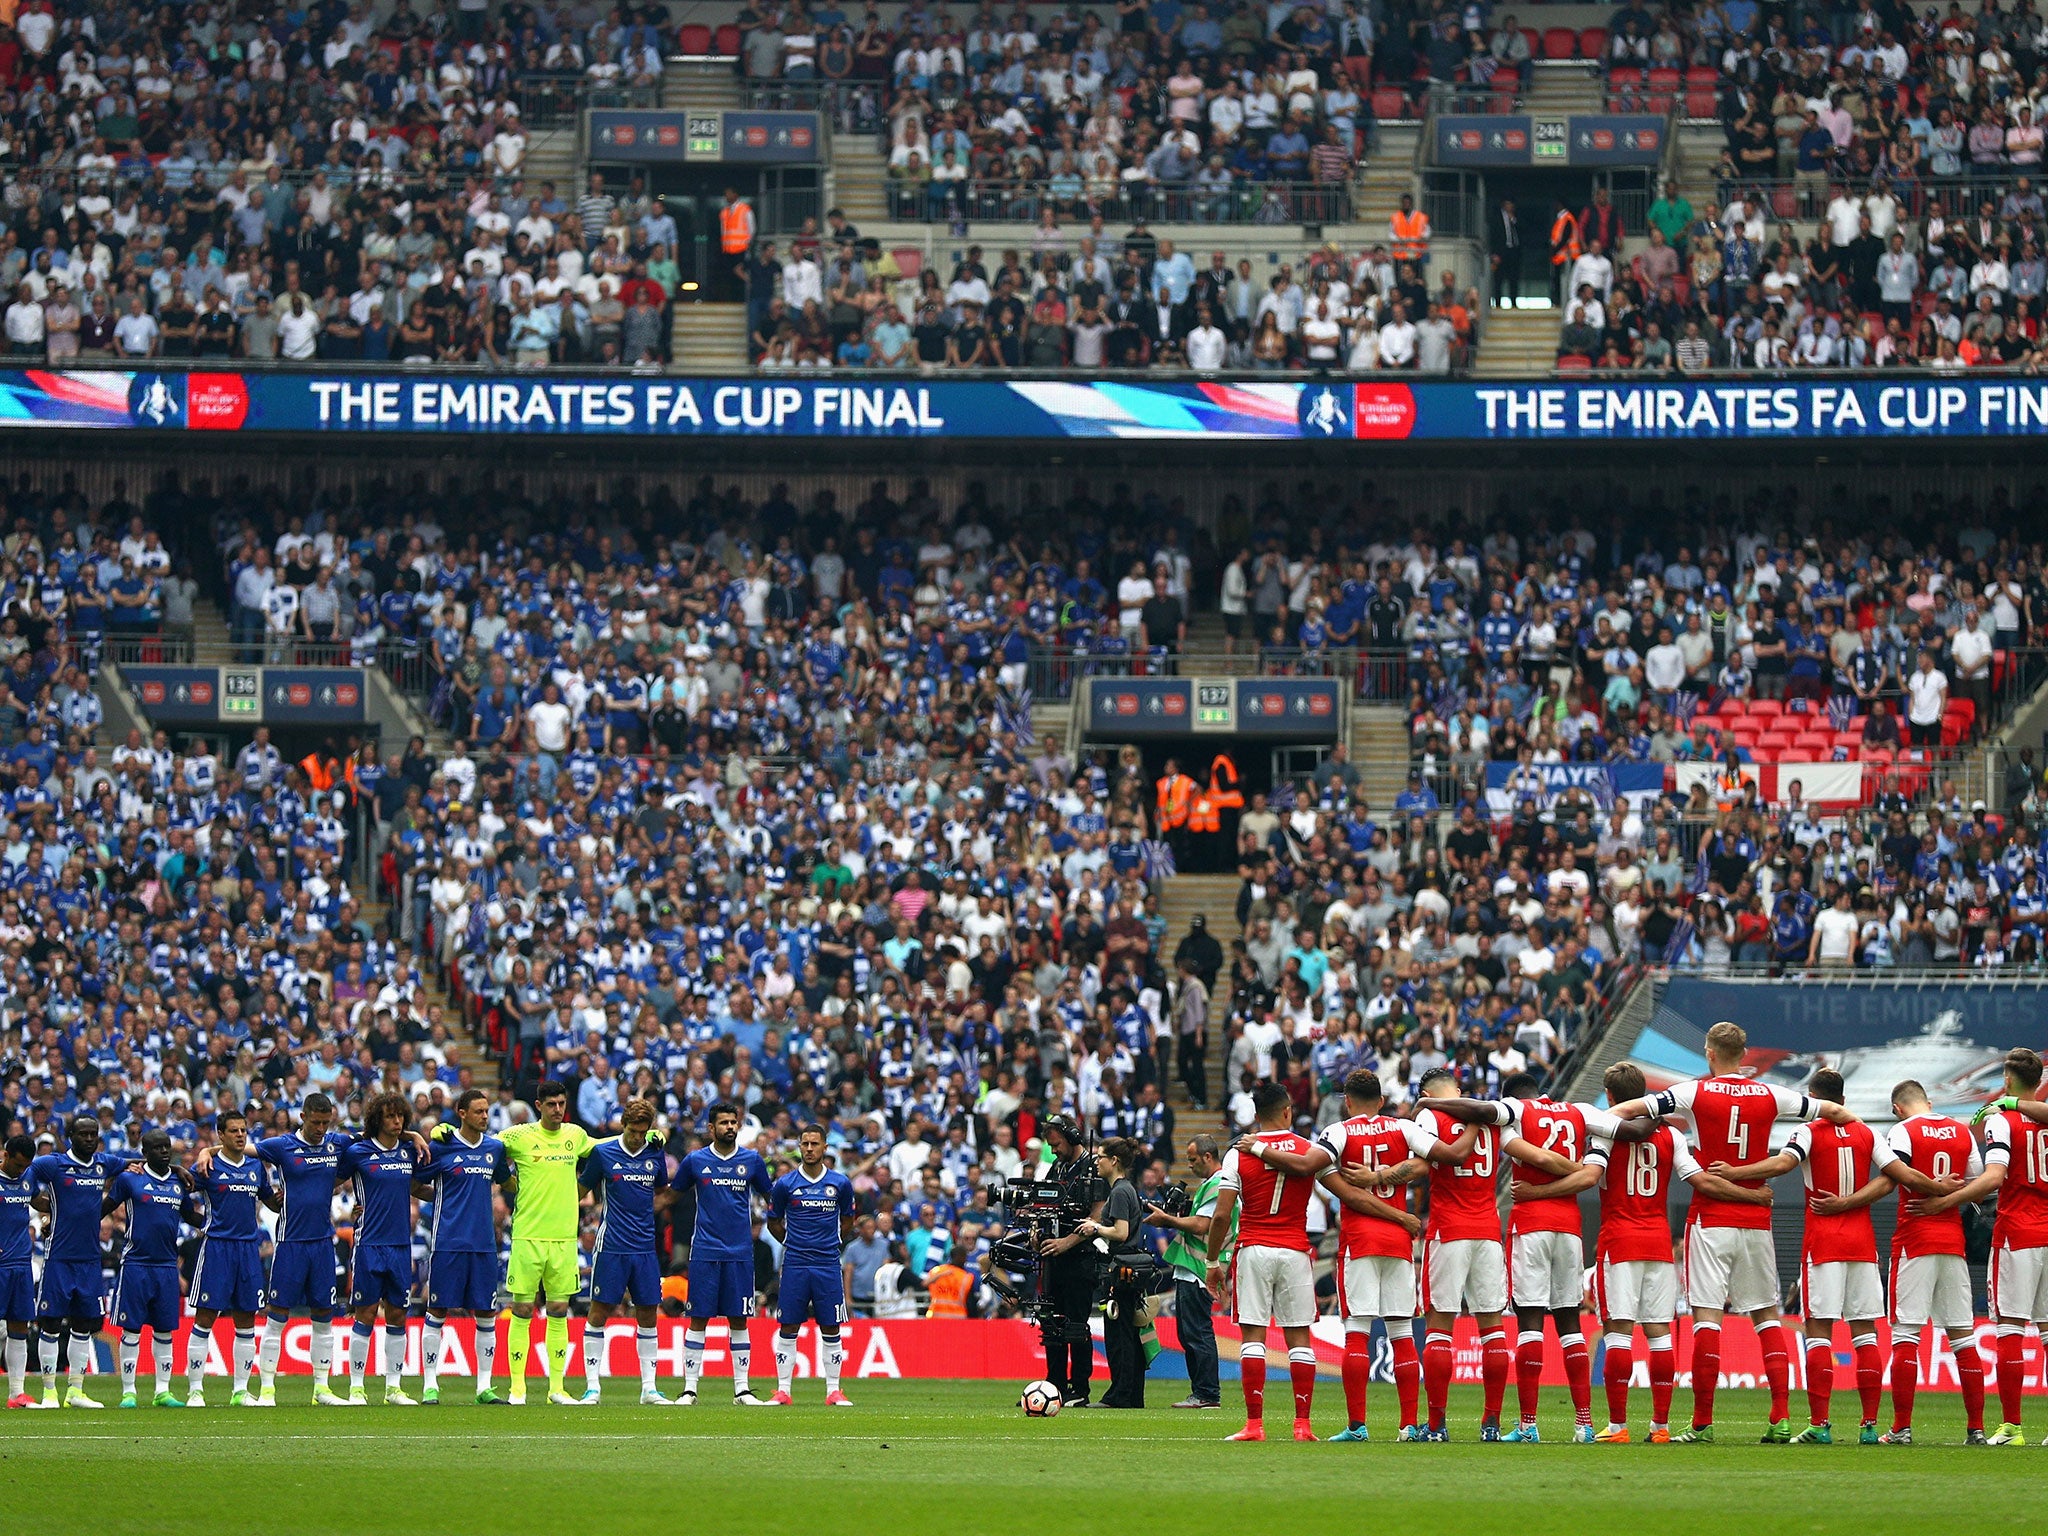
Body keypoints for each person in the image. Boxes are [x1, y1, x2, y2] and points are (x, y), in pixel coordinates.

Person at [1611, 1020, 1859, 1442]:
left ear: (1709, 1053)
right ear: (1744, 1056)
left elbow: (1634, 1108)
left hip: (1710, 1220)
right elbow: (1835, 1112)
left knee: (1707, 1319)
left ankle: (1703, 1424)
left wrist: (1603, 1121)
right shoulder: (1771, 1093)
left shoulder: (1693, 1092)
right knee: (1766, 1318)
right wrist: (1847, 1120)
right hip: (1756, 1223)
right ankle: (1780, 1418)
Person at [1420, 1073, 1634, 1441]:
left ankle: (1520, 1425)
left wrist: (1431, 1104)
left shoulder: (1510, 1114)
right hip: (1561, 1228)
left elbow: (1530, 1153)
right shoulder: (1580, 1110)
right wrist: (1580, 1168)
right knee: (1567, 1323)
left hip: (1510, 1226)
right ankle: (1581, 1423)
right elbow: (1626, 1135)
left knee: (1514, 1323)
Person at [1255, 1069, 1465, 1439]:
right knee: (1402, 1333)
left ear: (1347, 1102)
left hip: (1358, 1243)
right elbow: (1439, 1159)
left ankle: (1357, 1425)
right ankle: (1409, 1425)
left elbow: (1317, 1171)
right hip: (1399, 1243)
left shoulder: (1338, 1132)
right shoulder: (1403, 1128)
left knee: (1357, 1333)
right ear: (1382, 1101)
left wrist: (1257, 1145)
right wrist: (1394, 1189)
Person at [1585, 1063, 1770, 1443]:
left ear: (1610, 1095)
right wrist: (1752, 1195)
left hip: (1619, 1240)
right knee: (1659, 1336)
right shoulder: (1671, 1135)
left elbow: (1589, 1175)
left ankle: (1618, 1426)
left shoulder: (1605, 1130)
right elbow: (1701, 1180)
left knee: (1618, 1333)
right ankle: (1661, 1427)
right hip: (1658, 1243)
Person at [1924, 1046, 2048, 1442]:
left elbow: (1994, 1177)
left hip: (2018, 1232)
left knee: (2010, 1327)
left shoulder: (2002, 1121)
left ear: (2007, 1081)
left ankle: (2012, 1425)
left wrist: (1948, 1199)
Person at [460, 1079, 594, 1405]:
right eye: (551, 1104)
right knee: (521, 1309)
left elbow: (605, 1147)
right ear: (539, 1106)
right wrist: (447, 1135)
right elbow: (480, 1144)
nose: (558, 1110)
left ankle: (557, 1389)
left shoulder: (575, 1136)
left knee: (560, 1309)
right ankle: (517, 1388)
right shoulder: (518, 1136)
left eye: (562, 1104)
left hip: (563, 1238)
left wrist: (639, 1136)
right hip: (527, 1236)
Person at [1871, 1080, 1988, 1444]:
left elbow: (1899, 1175)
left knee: (1906, 1332)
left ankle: (1902, 1428)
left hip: (1914, 1239)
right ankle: (1977, 1430)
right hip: (1953, 1242)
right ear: (1929, 1101)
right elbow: (1977, 1183)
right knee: (1963, 1338)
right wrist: (1950, 1193)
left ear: (1898, 1108)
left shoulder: (1902, 1131)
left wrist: (1934, 1191)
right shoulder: (1961, 1131)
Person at [1208, 1081, 1320, 1442]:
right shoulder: (1308, 1149)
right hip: (1296, 1250)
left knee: (1253, 1337)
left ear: (1255, 1115)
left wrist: (1213, 1261)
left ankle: (1254, 1425)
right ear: (1288, 1111)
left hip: (1254, 1248)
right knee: (1299, 1339)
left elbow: (1222, 1215)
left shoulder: (1239, 1152)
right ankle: (1302, 1425)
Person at [1411, 1067, 1509, 1438]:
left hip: (1449, 1230)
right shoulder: (1491, 1116)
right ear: (1458, 1088)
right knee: (1493, 1329)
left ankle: (1436, 1425)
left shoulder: (1429, 1115)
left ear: (1427, 1092)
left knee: (1439, 1328)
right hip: (1487, 1230)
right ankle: (1492, 1423)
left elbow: (1428, 1162)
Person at [248, 1093, 352, 1405]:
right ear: (303, 1117)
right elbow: (243, 1149)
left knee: (324, 1315)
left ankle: (322, 1388)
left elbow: (373, 1136)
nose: (321, 1128)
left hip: (322, 1243)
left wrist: (414, 1134)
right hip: (290, 1243)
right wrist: (207, 1152)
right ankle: (267, 1389)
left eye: (326, 1122)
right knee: (277, 1315)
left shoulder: (336, 1143)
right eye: (316, 1122)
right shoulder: (282, 1146)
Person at [417, 1087, 514, 1404]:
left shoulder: (494, 1149)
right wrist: (440, 1197)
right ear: (462, 1113)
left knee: (487, 1313)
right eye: (478, 1111)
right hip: (448, 1241)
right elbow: (415, 1181)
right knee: (437, 1311)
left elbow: (506, 1180)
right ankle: (430, 1383)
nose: (485, 1116)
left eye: (487, 1111)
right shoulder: (441, 1146)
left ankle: (484, 1387)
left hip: (484, 1244)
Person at [673, 1100, 774, 1406]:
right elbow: (672, 1195)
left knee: (740, 1319)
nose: (730, 1127)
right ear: (711, 1128)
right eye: (724, 1123)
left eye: (734, 1122)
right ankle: (690, 1389)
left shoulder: (752, 1161)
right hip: (704, 1250)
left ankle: (741, 1389)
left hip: (740, 1252)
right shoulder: (695, 1161)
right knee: (698, 1318)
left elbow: (771, 1196)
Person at [579, 1097, 676, 1405]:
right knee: (600, 1311)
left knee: (648, 1313)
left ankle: (649, 1388)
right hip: (612, 1246)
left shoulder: (654, 1153)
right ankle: (592, 1387)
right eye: (633, 1131)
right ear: (623, 1125)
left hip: (645, 1248)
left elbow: (661, 1190)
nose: (637, 1137)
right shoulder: (603, 1153)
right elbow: (580, 1192)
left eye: (642, 1131)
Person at [339, 1093, 429, 1406]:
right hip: (368, 1244)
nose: (397, 1122)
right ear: (378, 1119)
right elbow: (331, 1180)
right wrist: (352, 1207)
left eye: (400, 1117)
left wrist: (449, 1194)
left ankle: (394, 1388)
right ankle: (356, 1387)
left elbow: (416, 1187)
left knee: (398, 1314)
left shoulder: (409, 1150)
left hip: (400, 1245)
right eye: (390, 1117)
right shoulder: (357, 1152)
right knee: (364, 1313)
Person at [103, 1130, 203, 1408]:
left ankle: (162, 1391)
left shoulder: (177, 1181)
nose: (164, 1152)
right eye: (157, 1148)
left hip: (166, 1266)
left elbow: (189, 1215)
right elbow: (105, 1208)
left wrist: (214, 1224)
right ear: (145, 1152)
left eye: (166, 1147)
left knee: (164, 1331)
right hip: (136, 1263)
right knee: (131, 1330)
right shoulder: (129, 1179)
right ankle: (129, 1392)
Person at [184, 1107, 274, 1408]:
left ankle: (240, 1391)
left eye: (243, 1130)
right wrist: (200, 1222)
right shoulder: (207, 1167)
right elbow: (182, 1194)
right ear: (220, 1135)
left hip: (248, 1250)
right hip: (217, 1248)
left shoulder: (255, 1167)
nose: (239, 1135)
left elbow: (271, 1201)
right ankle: (195, 1390)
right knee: (206, 1317)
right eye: (233, 1131)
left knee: (247, 1318)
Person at [766, 1122, 857, 1406]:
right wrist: (792, 1243)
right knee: (789, 1324)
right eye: (804, 1144)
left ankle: (833, 1390)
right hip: (795, 1263)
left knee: (830, 1325)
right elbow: (773, 1221)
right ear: (798, 1146)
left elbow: (849, 1220)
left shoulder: (840, 1183)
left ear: (825, 1147)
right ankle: (783, 1390)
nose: (809, 1148)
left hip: (828, 1263)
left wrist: (833, 1242)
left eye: (814, 1144)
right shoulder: (785, 1184)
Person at [1147, 1133, 1230, 1409]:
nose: (1190, 1165)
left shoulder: (1218, 1184)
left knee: (1197, 1332)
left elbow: (1201, 1226)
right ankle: (1202, 1392)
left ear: (1208, 1156)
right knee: (1190, 1333)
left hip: (1199, 1268)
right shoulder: (1212, 1184)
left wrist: (1167, 1219)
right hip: (1193, 1267)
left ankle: (1207, 1394)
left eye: (1193, 1159)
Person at [1030, 1113, 1104, 1408]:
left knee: (1076, 1324)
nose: (1054, 1150)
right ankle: (1054, 1383)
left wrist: (1066, 1242)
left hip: (1080, 1259)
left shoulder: (1092, 1169)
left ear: (1072, 1137)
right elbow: (1042, 1206)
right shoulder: (1057, 1167)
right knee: (1051, 1322)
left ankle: (1080, 1387)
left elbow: (1097, 1216)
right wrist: (1037, 1232)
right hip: (1053, 1260)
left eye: (1057, 1143)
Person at [1079, 1136, 1148, 1408]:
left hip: (1121, 1269)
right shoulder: (1127, 1189)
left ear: (1114, 1161)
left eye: (1100, 1157)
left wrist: (1094, 1228)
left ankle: (1120, 1394)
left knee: (1119, 1335)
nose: (1096, 1162)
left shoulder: (1119, 1191)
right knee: (1128, 1334)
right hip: (1128, 1269)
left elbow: (1121, 1232)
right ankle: (1131, 1394)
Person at [0, 1135, 34, 1408]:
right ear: (5, 1155)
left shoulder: (27, 1180)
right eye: (17, 1165)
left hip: (22, 1264)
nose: (20, 1170)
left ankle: (16, 1393)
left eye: (26, 1166)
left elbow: (40, 1202)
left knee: (19, 1327)